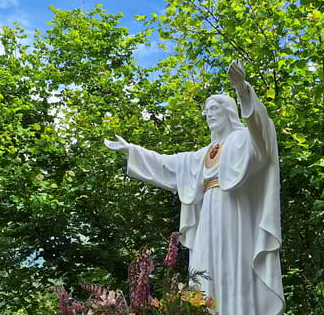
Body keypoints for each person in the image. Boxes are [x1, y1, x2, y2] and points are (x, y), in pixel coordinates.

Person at [105, 60, 284, 314]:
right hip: (209, 220)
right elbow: (166, 165)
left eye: (214, 110)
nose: (209, 115)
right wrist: (132, 150)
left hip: (236, 218)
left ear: (228, 112)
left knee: (234, 266)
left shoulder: (242, 140)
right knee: (207, 270)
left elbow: (262, 134)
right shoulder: (201, 155)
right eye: (207, 111)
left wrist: (242, 89)